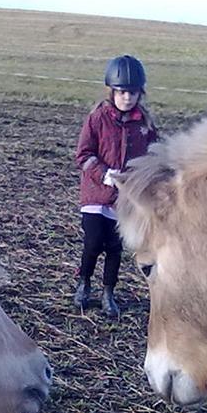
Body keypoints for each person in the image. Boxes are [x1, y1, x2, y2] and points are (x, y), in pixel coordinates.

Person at [72, 54, 158, 318]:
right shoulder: (97, 118)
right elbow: (83, 155)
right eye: (122, 92)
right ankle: (84, 284)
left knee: (115, 247)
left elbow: (154, 154)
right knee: (93, 242)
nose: (127, 98)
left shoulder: (144, 124)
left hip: (125, 199)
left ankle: (108, 292)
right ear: (112, 91)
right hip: (96, 195)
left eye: (132, 93)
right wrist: (104, 174)